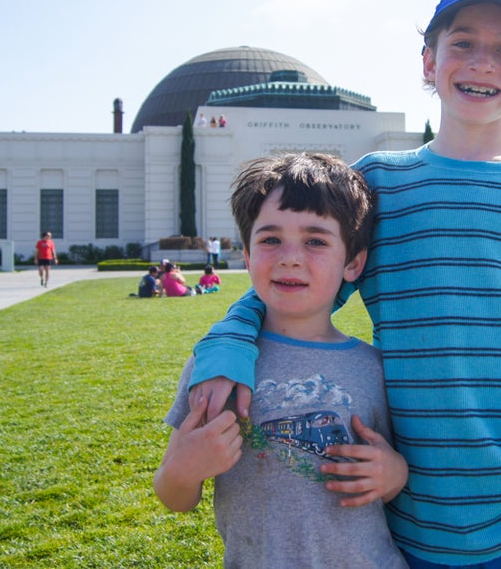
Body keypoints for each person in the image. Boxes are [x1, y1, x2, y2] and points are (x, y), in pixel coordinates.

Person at [186, 0, 501, 568]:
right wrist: (227, 347)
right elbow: (295, 291)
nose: (482, 62)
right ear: (429, 61)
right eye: (462, 42)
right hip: (405, 515)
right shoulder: (378, 184)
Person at [154, 153, 408, 568]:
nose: (290, 257)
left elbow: (400, 472)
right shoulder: (216, 370)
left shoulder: (375, 368)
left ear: (353, 263)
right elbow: (174, 496)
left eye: (316, 241)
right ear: (248, 256)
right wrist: (184, 471)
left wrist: (393, 474)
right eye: (270, 239)